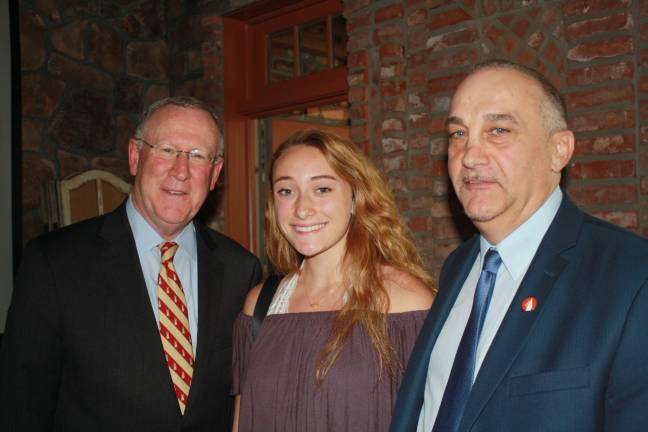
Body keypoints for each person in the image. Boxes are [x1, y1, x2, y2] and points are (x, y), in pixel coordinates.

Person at [390, 59, 648, 432]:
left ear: (559, 150)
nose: (470, 156)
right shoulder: (457, 268)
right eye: (458, 134)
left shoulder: (630, 277)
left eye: (498, 130)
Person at [0, 96, 262, 431]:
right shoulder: (54, 264)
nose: (181, 171)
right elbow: (20, 407)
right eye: (166, 150)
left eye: (198, 156)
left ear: (214, 174)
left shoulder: (241, 271)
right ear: (135, 156)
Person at [231, 129, 435, 432]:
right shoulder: (259, 306)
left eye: (322, 189)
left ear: (355, 198)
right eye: (286, 191)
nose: (302, 208)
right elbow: (242, 420)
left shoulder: (406, 302)